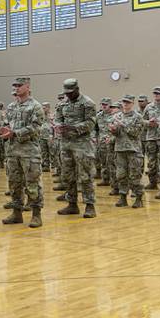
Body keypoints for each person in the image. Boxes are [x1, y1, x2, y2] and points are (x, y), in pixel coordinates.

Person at [0, 77, 43, 227]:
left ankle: (36, 214)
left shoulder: (35, 106)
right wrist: (4, 130)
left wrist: (15, 133)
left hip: (29, 152)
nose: (16, 88)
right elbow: (7, 124)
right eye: (15, 86)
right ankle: (16, 213)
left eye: (19, 85)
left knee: (32, 183)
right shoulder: (11, 107)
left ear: (27, 87)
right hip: (12, 151)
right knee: (14, 183)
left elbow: (36, 127)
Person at [54, 78, 97, 218]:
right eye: (66, 93)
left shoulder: (87, 103)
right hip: (66, 145)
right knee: (68, 176)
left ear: (77, 89)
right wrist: (59, 126)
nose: (68, 95)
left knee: (85, 176)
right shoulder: (62, 104)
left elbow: (91, 123)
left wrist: (73, 128)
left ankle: (90, 206)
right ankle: (72, 204)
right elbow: (57, 119)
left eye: (71, 92)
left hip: (82, 145)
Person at [109, 94, 145, 208]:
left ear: (132, 104)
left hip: (133, 150)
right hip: (120, 149)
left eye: (128, 102)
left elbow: (135, 133)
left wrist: (122, 125)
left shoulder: (138, 117)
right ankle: (123, 197)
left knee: (135, 175)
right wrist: (113, 130)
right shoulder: (117, 116)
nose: (125, 104)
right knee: (121, 175)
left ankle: (138, 198)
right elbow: (116, 134)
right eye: (124, 102)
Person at [142, 87, 160, 189]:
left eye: (159, 93)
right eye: (155, 93)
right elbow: (142, 121)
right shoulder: (149, 107)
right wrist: (149, 123)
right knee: (151, 161)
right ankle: (152, 182)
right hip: (151, 138)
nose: (156, 95)